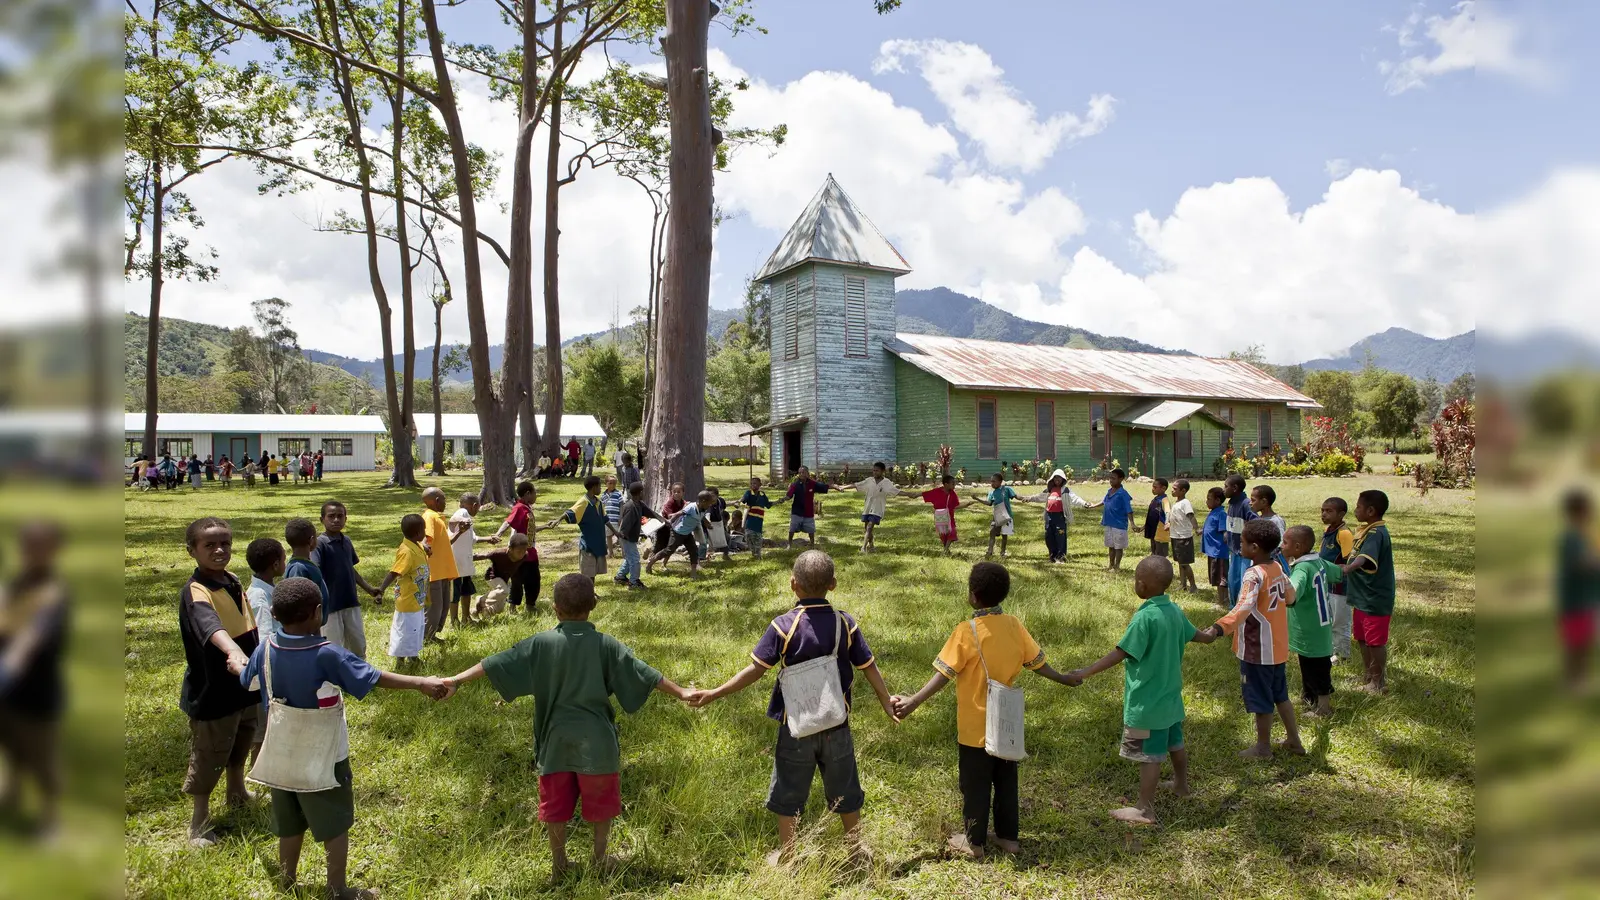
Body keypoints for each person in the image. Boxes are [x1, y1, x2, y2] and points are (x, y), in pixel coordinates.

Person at [445, 574, 694, 876]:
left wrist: (455, 680)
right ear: (593, 605)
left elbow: (493, 663)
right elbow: (647, 674)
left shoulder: (540, 643)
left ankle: (559, 865)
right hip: (598, 743)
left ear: (554, 608)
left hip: (555, 743)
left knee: (556, 806)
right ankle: (600, 858)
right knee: (601, 803)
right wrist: (682, 692)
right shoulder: (607, 644)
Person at [240, 577, 448, 900]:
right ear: (318, 612)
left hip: (279, 753)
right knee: (335, 823)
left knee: (289, 821)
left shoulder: (265, 648)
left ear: (276, 616)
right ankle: (337, 888)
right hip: (325, 755)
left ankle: (286, 878)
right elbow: (374, 677)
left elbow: (245, 678)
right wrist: (420, 682)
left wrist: (234, 660)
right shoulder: (326, 654)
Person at [688, 551, 898, 867]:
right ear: (834, 584)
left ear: (792, 584)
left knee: (789, 791)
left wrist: (715, 693)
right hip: (836, 724)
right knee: (845, 786)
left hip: (795, 726)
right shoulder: (845, 623)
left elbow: (755, 670)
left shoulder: (783, 626)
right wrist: (885, 701)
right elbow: (869, 666)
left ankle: (789, 857)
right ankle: (855, 851)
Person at [891, 562, 1080, 858]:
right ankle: (1008, 838)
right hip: (1007, 722)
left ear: (973, 596)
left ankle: (973, 841)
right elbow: (1037, 664)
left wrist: (914, 701)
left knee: (975, 785)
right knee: (1006, 782)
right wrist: (1064, 678)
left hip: (974, 728)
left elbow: (945, 674)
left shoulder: (967, 631)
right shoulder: (1015, 626)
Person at [1067, 556, 1216, 826]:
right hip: (1170, 700)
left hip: (1146, 704)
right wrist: (1214, 632)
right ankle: (1181, 785)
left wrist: (1085, 671)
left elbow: (1121, 652)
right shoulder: (1174, 610)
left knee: (1149, 756)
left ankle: (1144, 809)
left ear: (1142, 585)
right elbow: (1199, 636)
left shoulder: (1144, 617)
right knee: (1175, 743)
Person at [177, 517, 261, 847]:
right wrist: (233, 651)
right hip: (214, 689)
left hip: (243, 685)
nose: (219, 550)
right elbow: (211, 626)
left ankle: (237, 791)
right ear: (192, 551)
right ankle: (198, 821)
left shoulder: (232, 580)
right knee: (211, 752)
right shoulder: (196, 592)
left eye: (224, 543)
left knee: (242, 738)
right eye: (209, 545)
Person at [1198, 518, 1304, 759]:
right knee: (1280, 695)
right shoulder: (1277, 567)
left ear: (1254, 548)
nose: (1239, 545)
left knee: (1261, 699)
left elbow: (1243, 607)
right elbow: (1291, 597)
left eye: (1242, 542)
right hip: (1277, 647)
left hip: (1258, 649)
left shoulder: (1253, 574)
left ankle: (1263, 748)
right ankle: (1294, 740)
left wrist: (1218, 628)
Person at [0, 521, 70, 839]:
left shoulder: (53, 590)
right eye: (28, 545)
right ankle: (12, 794)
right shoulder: (16, 584)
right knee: (12, 746)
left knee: (41, 756)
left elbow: (34, 635)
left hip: (36, 688)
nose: (33, 552)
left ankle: (51, 819)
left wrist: (10, 667)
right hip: (10, 693)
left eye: (41, 546)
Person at [1283, 525, 1344, 717]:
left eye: (1285, 543)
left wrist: (1283, 582)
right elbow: (1339, 572)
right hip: (1321, 626)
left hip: (1310, 629)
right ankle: (1309, 696)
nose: (1281, 546)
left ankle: (1323, 708)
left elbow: (1292, 595)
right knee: (1309, 664)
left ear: (1298, 547)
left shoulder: (1302, 568)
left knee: (1317, 669)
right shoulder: (1318, 562)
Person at [1340, 490, 1396, 694]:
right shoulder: (1367, 530)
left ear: (1371, 510)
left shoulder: (1376, 533)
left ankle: (1379, 682)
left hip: (1375, 598)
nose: (1355, 510)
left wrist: (1348, 568)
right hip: (1362, 597)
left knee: (1375, 642)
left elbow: (1364, 558)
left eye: (1358, 507)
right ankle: (1369, 675)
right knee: (1362, 639)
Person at [314, 501, 382, 659]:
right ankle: (335, 681)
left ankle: (359, 677)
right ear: (322, 519)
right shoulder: (319, 544)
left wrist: (369, 589)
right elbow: (315, 571)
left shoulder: (346, 541)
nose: (336, 520)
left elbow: (350, 568)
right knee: (333, 647)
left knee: (357, 643)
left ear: (346, 518)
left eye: (340, 516)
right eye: (331, 516)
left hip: (350, 602)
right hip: (330, 606)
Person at [373, 514, 430, 669]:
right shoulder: (406, 551)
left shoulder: (416, 546)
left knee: (416, 630)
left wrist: (425, 550)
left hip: (417, 600)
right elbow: (394, 572)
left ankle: (413, 656)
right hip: (407, 601)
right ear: (418, 532)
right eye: (424, 529)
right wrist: (381, 590)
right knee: (405, 631)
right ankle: (400, 661)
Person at [546, 476, 624, 585]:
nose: (601, 489)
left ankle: (591, 591)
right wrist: (558, 519)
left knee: (593, 571)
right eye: (599, 486)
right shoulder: (583, 502)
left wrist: (615, 532)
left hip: (598, 542)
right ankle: (588, 593)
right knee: (587, 572)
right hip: (588, 544)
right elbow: (570, 512)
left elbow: (605, 519)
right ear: (593, 487)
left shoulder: (599, 502)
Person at [1558, 490, 1600, 692]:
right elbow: (1581, 565)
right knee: (1575, 645)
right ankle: (1572, 681)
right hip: (1575, 601)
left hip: (1587, 600)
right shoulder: (1571, 538)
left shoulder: (1584, 536)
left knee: (1584, 644)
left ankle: (1580, 680)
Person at [490, 481, 543, 614]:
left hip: (531, 550)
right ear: (527, 493)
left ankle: (530, 605)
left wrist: (545, 526)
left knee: (534, 579)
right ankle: (513, 607)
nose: (536, 496)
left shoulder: (527, 507)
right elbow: (508, 521)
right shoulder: (519, 507)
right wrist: (498, 534)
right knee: (518, 580)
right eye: (534, 493)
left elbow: (529, 528)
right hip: (520, 552)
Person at [1021, 469, 1091, 564]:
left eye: (1059, 478)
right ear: (1052, 479)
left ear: (1063, 479)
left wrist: (1084, 503)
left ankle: (1061, 557)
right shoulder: (1049, 490)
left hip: (1060, 517)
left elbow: (1075, 499)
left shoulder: (1066, 491)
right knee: (1049, 536)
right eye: (1055, 478)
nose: (1057, 480)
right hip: (1049, 516)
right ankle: (1052, 556)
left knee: (1060, 536)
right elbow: (1039, 497)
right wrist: (1029, 498)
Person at [449, 494, 496, 628]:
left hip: (464, 564)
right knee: (455, 594)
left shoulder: (467, 518)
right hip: (456, 564)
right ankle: (454, 621)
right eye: (478, 507)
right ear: (475, 505)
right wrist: (458, 523)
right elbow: (453, 520)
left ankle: (466, 617)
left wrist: (488, 538)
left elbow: (473, 538)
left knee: (466, 591)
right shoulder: (462, 512)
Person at [420, 487, 460, 642]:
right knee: (434, 607)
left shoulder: (437, 517)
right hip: (434, 572)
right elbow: (426, 538)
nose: (445, 502)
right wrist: (424, 546)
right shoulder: (429, 517)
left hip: (443, 571)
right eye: (444, 499)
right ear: (437, 501)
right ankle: (425, 637)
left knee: (443, 606)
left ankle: (433, 634)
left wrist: (460, 532)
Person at [1319, 497, 1356, 662]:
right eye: (1322, 510)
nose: (1324, 514)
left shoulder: (1344, 533)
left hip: (1341, 585)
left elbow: (1351, 559)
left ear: (1341, 514)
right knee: (1329, 617)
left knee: (1340, 621)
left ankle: (1342, 654)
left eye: (1329, 511)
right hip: (1328, 584)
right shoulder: (1329, 531)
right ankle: (1331, 650)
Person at [839, 462, 901, 553]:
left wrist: (911, 494)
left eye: (877, 471)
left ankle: (863, 548)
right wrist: (843, 487)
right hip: (868, 507)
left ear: (883, 471)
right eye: (874, 470)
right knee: (867, 528)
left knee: (869, 527)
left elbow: (896, 491)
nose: (875, 472)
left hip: (877, 509)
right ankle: (872, 546)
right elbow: (857, 485)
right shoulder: (869, 481)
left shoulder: (886, 483)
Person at [646, 489, 710, 576]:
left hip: (687, 534)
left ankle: (693, 572)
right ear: (703, 501)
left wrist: (707, 523)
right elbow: (678, 514)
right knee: (668, 550)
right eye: (709, 503)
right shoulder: (691, 507)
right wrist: (670, 521)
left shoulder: (703, 509)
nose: (710, 505)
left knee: (693, 550)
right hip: (677, 532)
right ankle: (650, 563)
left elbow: (701, 517)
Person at [613, 482, 663, 590]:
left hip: (630, 538)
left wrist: (662, 520)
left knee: (630, 558)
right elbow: (624, 526)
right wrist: (622, 543)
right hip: (626, 538)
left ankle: (620, 577)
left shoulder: (639, 504)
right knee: (635, 559)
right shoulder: (630, 507)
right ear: (639, 493)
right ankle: (634, 581)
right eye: (643, 491)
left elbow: (649, 512)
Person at [475, 534, 532, 617]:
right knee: (504, 590)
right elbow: (483, 555)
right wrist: (465, 558)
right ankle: (481, 600)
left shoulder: (525, 556)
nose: (521, 554)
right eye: (519, 551)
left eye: (524, 551)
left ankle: (480, 612)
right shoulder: (499, 553)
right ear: (510, 549)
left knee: (500, 608)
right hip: (493, 577)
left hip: (504, 580)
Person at [284, 519, 331, 616]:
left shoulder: (305, 564)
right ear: (312, 540)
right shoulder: (298, 568)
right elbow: (297, 602)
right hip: (306, 627)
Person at [1223, 474, 1255, 602]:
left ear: (1235, 488)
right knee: (1233, 579)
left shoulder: (1246, 504)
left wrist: (1246, 541)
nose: (1223, 489)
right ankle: (1233, 605)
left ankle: (1243, 606)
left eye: (1226, 486)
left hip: (1244, 551)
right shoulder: (1231, 504)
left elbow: (1254, 522)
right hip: (1233, 549)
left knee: (1244, 579)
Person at [246, 538, 287, 641]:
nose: (285, 564)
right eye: (284, 560)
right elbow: (263, 637)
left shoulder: (268, 589)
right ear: (276, 565)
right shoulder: (259, 596)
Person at [1096, 468, 1136, 571]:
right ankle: (1111, 565)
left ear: (1121, 479)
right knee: (1111, 546)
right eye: (1110, 478)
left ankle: (1117, 566)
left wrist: (1132, 523)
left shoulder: (1123, 493)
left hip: (1119, 525)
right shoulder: (1110, 491)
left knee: (1118, 547)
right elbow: (1104, 502)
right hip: (1109, 523)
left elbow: (1128, 509)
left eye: (1114, 478)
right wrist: (1092, 506)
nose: (1111, 480)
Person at [973, 472, 1018, 560]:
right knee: (992, 532)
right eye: (991, 481)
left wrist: (1025, 498)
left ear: (1000, 482)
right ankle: (989, 551)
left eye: (994, 481)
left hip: (1006, 516)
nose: (992, 483)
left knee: (1004, 535)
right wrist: (977, 499)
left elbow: (1016, 496)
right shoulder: (992, 493)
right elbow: (989, 503)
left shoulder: (1007, 489)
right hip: (997, 516)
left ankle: (1003, 552)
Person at [784, 466, 831, 549]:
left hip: (808, 512)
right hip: (797, 511)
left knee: (811, 530)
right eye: (800, 473)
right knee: (792, 529)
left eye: (803, 472)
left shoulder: (812, 484)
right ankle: (789, 544)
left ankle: (812, 544)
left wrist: (836, 487)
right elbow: (789, 495)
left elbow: (824, 487)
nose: (801, 474)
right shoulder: (795, 485)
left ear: (807, 473)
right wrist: (784, 499)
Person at [920, 474, 965, 555]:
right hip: (940, 516)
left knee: (952, 532)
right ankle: (946, 549)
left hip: (949, 517)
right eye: (952, 484)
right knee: (943, 534)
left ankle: (945, 549)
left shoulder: (952, 494)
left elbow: (956, 505)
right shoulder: (936, 491)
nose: (954, 486)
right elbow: (926, 494)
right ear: (946, 484)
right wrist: (914, 495)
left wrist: (966, 505)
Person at [1250, 484, 1288, 571]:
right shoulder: (1258, 520)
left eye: (1253, 500)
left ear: (1264, 502)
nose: (1250, 503)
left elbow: (1280, 544)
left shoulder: (1276, 521)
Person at [1169, 480, 1198, 592]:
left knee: (1185, 563)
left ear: (1183, 490)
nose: (1172, 490)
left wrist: (1196, 529)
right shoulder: (1177, 503)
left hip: (1183, 537)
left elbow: (1191, 516)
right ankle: (1183, 584)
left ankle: (1193, 585)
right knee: (1180, 562)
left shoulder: (1185, 503)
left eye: (1175, 488)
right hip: (1175, 536)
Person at [1202, 487, 1229, 608]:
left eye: (1209, 499)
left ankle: (1223, 601)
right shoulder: (1213, 512)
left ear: (1218, 500)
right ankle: (1221, 599)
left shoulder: (1221, 514)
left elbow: (1225, 532)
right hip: (1212, 551)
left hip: (1219, 551)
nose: (1206, 501)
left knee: (1221, 578)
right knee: (1216, 577)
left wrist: (1225, 540)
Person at [739, 477, 773, 558]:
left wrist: (778, 501)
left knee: (758, 540)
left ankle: (757, 556)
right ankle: (754, 553)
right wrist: (738, 502)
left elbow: (768, 505)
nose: (752, 485)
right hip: (749, 522)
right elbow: (743, 500)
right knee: (749, 537)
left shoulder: (762, 495)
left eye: (755, 483)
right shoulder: (749, 493)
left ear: (760, 485)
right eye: (751, 483)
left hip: (758, 523)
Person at [652, 483, 687, 558]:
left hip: (673, 527)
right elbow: (670, 517)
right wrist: (682, 510)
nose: (676, 494)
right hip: (664, 526)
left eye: (678, 492)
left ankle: (663, 563)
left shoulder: (683, 503)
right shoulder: (670, 503)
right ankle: (650, 555)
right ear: (671, 492)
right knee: (659, 546)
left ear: (683, 492)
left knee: (669, 546)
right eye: (674, 492)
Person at [1143, 478, 1171, 558]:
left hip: (1160, 530)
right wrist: (1144, 527)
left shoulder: (1165, 500)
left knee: (1160, 553)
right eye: (1152, 487)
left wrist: (1167, 522)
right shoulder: (1155, 499)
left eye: (1155, 487)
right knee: (1154, 548)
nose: (1153, 489)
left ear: (1163, 488)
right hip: (1152, 529)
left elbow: (1167, 512)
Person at [599, 475, 625, 554]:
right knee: (608, 536)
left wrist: (621, 517)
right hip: (607, 520)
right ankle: (610, 553)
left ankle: (624, 552)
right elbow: (602, 507)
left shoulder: (618, 494)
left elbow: (621, 505)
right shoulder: (603, 495)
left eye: (614, 483)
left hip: (616, 519)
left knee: (619, 536)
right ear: (606, 483)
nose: (612, 485)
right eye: (610, 483)